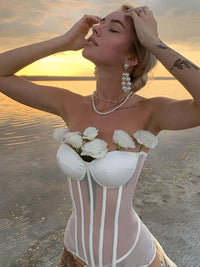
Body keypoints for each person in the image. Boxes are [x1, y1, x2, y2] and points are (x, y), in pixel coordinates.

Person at [0, 2, 199, 267]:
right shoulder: (70, 104)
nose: (97, 29)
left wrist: (153, 42)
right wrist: (62, 41)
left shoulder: (151, 112)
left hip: (131, 258)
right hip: (74, 252)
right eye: (101, 22)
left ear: (131, 58)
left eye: (113, 28)